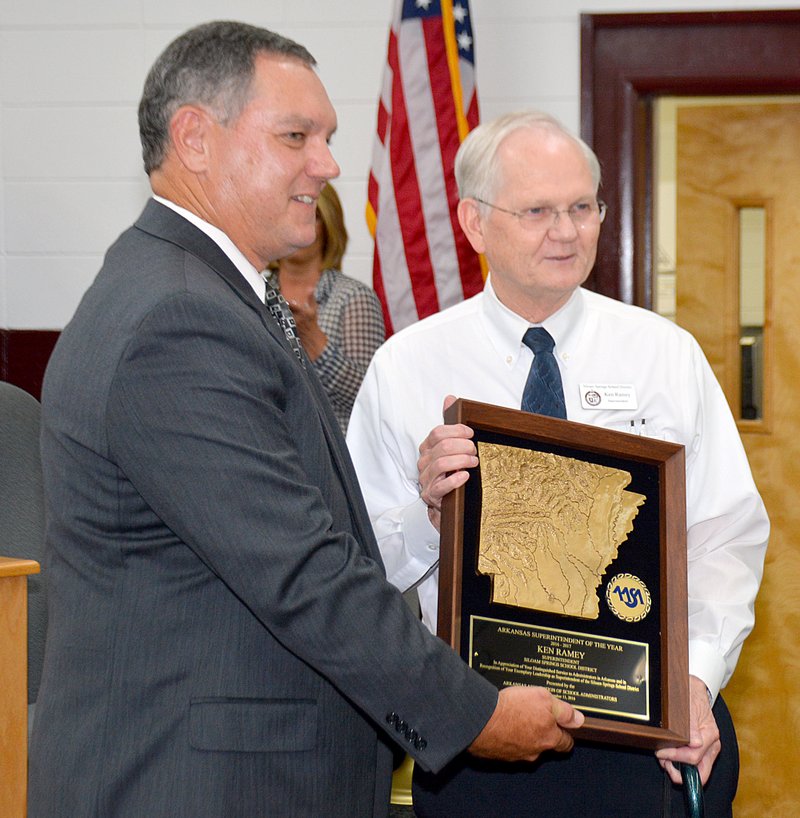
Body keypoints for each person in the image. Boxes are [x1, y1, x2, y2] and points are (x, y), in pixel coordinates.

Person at [26, 26, 587, 818]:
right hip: (196, 786)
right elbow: (301, 573)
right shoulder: (178, 318)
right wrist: (475, 713)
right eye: (297, 137)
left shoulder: (198, 289)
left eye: (327, 138)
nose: (326, 165)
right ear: (194, 138)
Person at [347, 109, 769, 817]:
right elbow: (356, 570)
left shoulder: (663, 354)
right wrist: (429, 515)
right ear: (475, 223)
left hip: (652, 735)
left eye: (582, 207)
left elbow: (726, 537)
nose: (567, 231)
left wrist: (694, 679)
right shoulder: (407, 367)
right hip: (482, 739)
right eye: (538, 210)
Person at [266, 182, 385, 432]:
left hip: (330, 457)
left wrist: (315, 341)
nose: (297, 221)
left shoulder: (353, 298)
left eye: (313, 214)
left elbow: (370, 399)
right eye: (289, 210)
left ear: (330, 226)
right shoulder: (253, 291)